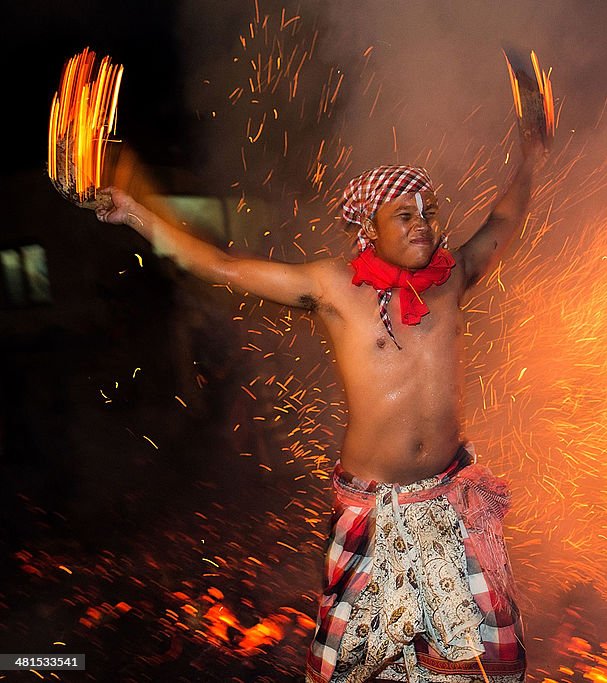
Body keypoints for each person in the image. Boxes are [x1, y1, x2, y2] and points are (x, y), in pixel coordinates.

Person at [95, 127, 547, 682]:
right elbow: (222, 266)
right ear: (368, 228)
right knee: (358, 664)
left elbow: (502, 222)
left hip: (450, 502)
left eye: (428, 210)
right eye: (404, 214)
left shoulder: (449, 279)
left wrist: (530, 156)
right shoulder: (333, 286)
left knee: (473, 660)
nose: (423, 222)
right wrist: (136, 216)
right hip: (372, 512)